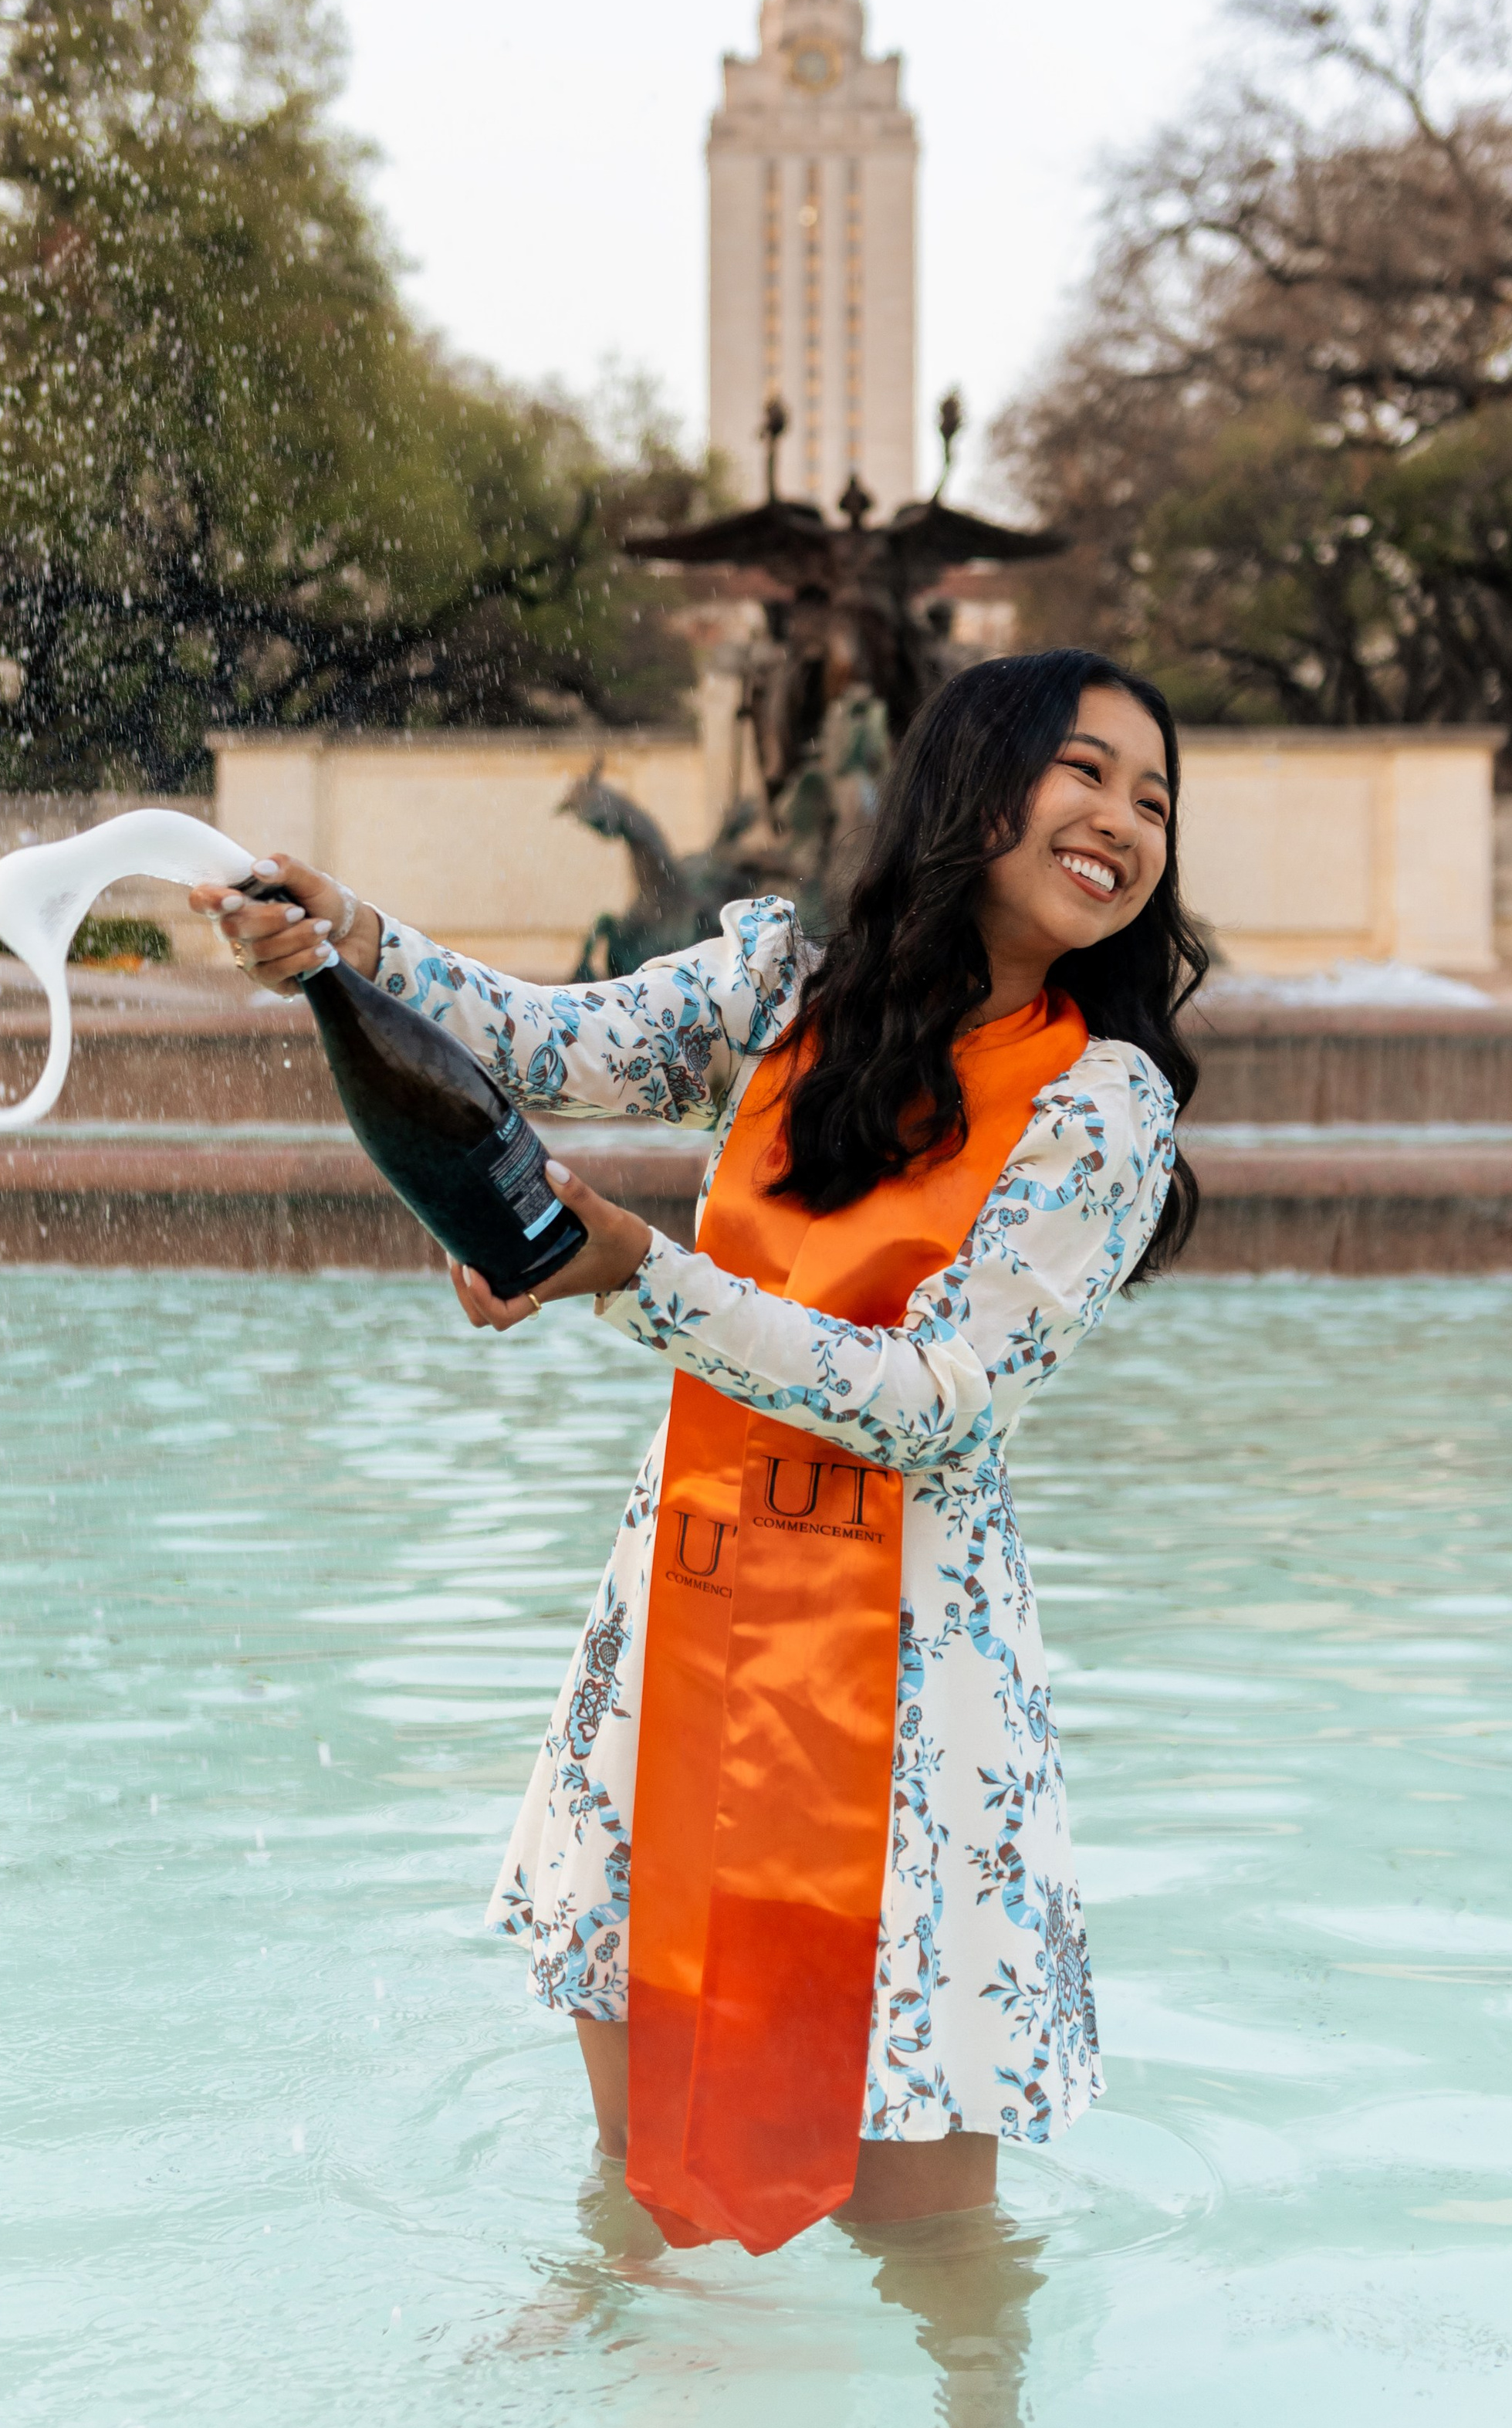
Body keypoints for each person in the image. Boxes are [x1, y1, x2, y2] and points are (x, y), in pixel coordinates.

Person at [195, 650, 1206, 2256]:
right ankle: (616, 2374)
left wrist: (634, 1278)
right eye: (1082, 771)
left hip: (906, 1688)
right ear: (971, 781)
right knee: (633, 2139)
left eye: (1151, 797)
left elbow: (939, 1397)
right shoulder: (782, 990)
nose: (1120, 820)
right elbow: (541, 1046)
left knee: (927, 2223)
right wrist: (350, 942)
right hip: (686, 1608)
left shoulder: (1104, 1099)